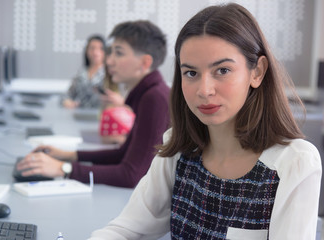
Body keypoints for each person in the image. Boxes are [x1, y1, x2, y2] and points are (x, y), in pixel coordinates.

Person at [87, 3, 322, 240]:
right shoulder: (178, 151)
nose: (204, 90)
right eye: (191, 73)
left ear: (257, 72)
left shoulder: (293, 162)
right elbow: (126, 228)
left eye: (222, 70)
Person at [17, 20, 170, 188]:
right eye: (110, 53)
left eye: (118, 53)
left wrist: (63, 169)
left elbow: (131, 175)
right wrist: (69, 155)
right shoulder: (149, 94)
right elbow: (122, 154)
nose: (109, 61)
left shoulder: (154, 99)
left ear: (144, 63)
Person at [62, 34, 107, 109]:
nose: (95, 52)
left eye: (100, 49)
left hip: (101, 115)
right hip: (81, 116)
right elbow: (67, 95)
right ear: (87, 51)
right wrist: (67, 101)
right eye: (92, 48)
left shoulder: (110, 74)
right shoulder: (80, 74)